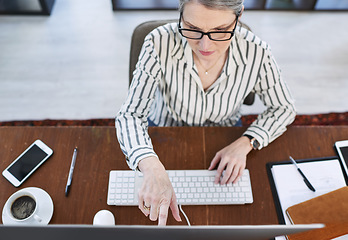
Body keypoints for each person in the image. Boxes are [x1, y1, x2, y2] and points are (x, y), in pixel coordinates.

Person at [115, 0, 296, 226]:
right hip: (164, 132)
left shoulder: (257, 52)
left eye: (220, 31)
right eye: (192, 28)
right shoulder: (157, 42)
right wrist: (150, 165)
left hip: (226, 135)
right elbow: (130, 115)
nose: (205, 45)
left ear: (239, 16)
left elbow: (284, 107)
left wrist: (246, 142)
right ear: (180, 15)